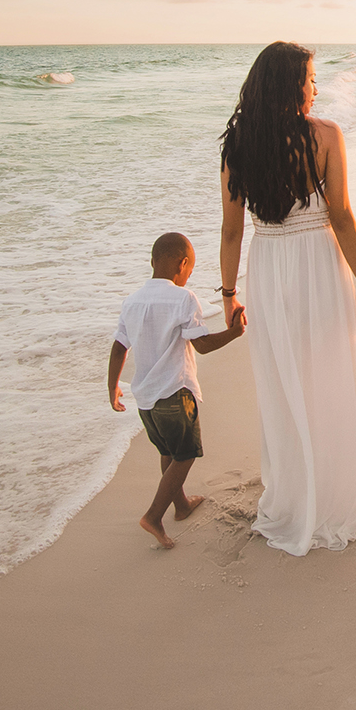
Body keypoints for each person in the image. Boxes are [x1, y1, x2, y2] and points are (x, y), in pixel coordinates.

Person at [218, 41, 356, 555]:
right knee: (327, 370)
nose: (315, 87)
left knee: (283, 377)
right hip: (316, 262)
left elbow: (230, 232)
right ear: (292, 84)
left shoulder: (238, 142)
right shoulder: (326, 135)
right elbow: (341, 215)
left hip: (267, 266)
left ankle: (293, 491)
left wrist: (227, 296)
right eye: (310, 78)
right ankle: (330, 490)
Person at [105, 231, 246, 549]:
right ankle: (154, 516)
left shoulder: (132, 302)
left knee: (167, 452)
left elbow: (118, 349)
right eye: (190, 269)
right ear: (183, 264)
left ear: (153, 261)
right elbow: (202, 345)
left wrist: (113, 388)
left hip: (145, 398)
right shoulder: (184, 298)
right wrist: (235, 332)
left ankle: (181, 506)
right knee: (185, 455)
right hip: (176, 392)